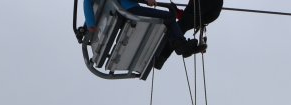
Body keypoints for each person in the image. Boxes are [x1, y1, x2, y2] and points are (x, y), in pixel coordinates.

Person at [80, 0, 223, 63]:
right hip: (130, 10)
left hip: (125, 13)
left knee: (169, 18)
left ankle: (163, 56)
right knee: (169, 17)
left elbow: (90, 6)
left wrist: (88, 26)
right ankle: (180, 46)